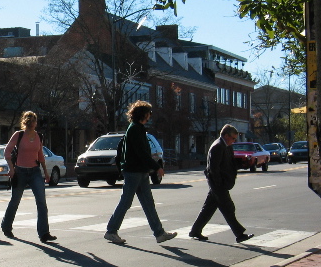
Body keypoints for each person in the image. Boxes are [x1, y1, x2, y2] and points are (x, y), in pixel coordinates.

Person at [104, 100, 177, 245]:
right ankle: (111, 231)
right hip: (134, 172)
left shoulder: (137, 128)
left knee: (148, 203)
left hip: (140, 172)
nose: (150, 115)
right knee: (126, 202)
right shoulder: (135, 129)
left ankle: (159, 233)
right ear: (143, 114)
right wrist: (157, 167)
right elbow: (142, 153)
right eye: (149, 113)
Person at [189, 124, 254, 243]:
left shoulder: (227, 146)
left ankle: (195, 230)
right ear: (225, 135)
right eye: (233, 138)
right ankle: (239, 234)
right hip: (217, 184)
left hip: (220, 183)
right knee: (228, 208)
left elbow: (230, 163)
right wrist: (219, 184)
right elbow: (214, 169)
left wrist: (245, 164)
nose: (234, 141)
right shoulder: (217, 146)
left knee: (208, 208)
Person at [1, 111, 56, 243]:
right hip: (20, 172)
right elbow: (7, 151)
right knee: (15, 201)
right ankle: (6, 226)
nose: (32, 124)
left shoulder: (39, 137)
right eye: (30, 122)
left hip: (35, 172)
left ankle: (44, 233)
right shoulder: (18, 135)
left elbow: (40, 156)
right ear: (25, 122)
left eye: (34, 121)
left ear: (36, 123)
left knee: (41, 202)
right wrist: (11, 168)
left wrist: (46, 173)